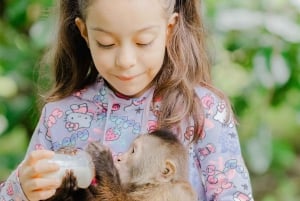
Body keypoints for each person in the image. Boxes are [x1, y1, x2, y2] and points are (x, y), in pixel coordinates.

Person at [0, 0, 254, 200]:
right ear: (85, 33)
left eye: (143, 42)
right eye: (106, 43)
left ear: (169, 29)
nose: (125, 61)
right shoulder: (61, 116)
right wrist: (21, 188)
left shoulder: (203, 110)